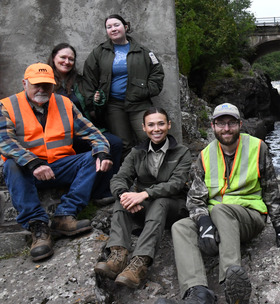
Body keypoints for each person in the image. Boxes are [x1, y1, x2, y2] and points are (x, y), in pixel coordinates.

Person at [162, 103, 280, 304]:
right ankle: (198, 292)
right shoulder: (205, 155)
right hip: (216, 218)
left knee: (221, 210)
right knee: (180, 227)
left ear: (240, 124)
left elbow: (271, 188)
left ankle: (232, 284)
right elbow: (195, 198)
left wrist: (279, 226)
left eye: (231, 123)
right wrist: (204, 224)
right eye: (221, 123)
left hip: (249, 217)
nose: (226, 129)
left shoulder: (258, 147)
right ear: (213, 126)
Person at [0, 63, 113, 262]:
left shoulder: (64, 103)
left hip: (60, 166)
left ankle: (65, 215)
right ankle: (38, 227)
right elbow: (4, 141)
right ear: (24, 83)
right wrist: (33, 163)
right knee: (10, 164)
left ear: (54, 84)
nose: (42, 89)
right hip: (28, 170)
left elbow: (93, 133)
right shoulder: (7, 105)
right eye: (37, 85)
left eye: (47, 85)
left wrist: (102, 152)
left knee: (93, 157)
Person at [94, 107, 191, 289]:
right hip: (146, 207)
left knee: (159, 201)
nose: (157, 129)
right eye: (151, 125)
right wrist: (125, 196)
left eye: (161, 123)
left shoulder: (181, 152)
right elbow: (119, 178)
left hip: (174, 207)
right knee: (121, 199)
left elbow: (176, 184)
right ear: (144, 128)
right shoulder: (136, 152)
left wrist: (144, 194)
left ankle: (140, 263)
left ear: (169, 125)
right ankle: (118, 255)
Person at [47, 43, 123, 205]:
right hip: (59, 134)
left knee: (114, 143)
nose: (67, 62)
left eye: (71, 59)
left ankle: (101, 191)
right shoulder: (45, 81)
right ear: (54, 58)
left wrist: (98, 101)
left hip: (82, 129)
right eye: (63, 57)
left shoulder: (80, 81)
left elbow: (92, 109)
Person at [82, 14, 164, 156]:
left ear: (125, 27)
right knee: (123, 143)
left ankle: (153, 174)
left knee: (149, 138)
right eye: (109, 27)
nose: (113, 29)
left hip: (139, 104)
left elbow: (157, 75)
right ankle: (129, 175)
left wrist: (143, 91)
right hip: (114, 105)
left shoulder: (143, 51)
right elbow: (88, 78)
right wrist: (93, 101)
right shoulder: (99, 52)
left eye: (116, 25)